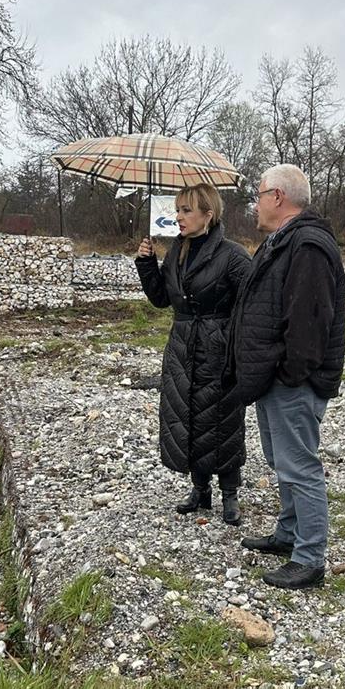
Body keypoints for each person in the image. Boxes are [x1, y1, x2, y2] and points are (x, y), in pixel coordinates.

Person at [227, 164, 345, 589]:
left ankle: (310, 558)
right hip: (273, 378)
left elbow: (310, 322)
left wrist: (290, 375)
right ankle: (288, 533)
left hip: (292, 381)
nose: (255, 203)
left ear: (277, 197)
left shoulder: (308, 245)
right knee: (283, 463)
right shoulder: (281, 243)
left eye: (259, 194)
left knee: (300, 467)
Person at [135, 182, 250, 526]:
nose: (179, 217)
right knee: (188, 417)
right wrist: (146, 264)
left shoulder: (232, 254)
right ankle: (200, 489)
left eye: (186, 210)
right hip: (183, 345)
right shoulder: (177, 251)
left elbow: (251, 303)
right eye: (178, 210)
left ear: (208, 215)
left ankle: (230, 494)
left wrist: (237, 346)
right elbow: (161, 300)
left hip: (218, 347)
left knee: (224, 421)